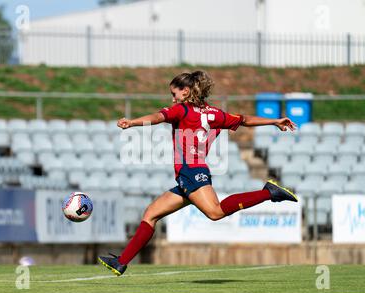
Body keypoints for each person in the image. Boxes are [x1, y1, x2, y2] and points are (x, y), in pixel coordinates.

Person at [98, 70, 298, 276]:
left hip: (191, 171)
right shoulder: (214, 113)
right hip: (190, 173)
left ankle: (269, 193)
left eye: (174, 93)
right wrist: (274, 121)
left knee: (215, 212)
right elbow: (244, 119)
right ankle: (121, 262)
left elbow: (157, 117)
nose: (172, 98)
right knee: (150, 214)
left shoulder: (181, 110)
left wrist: (131, 123)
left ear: (185, 91)